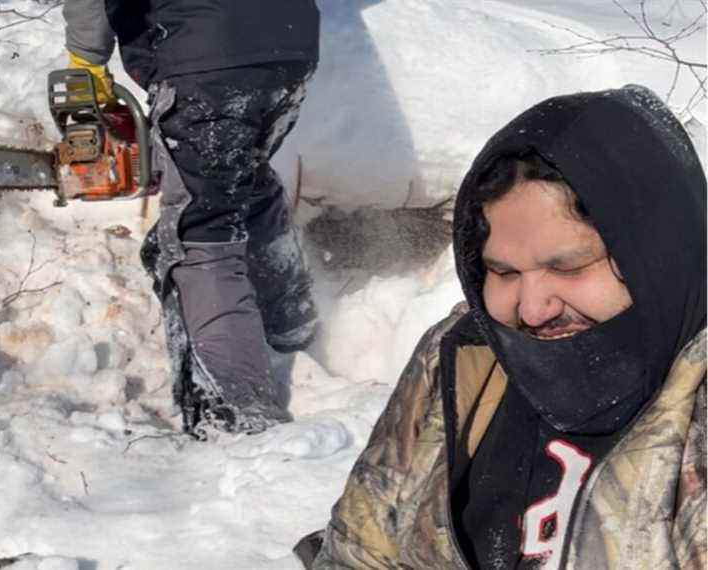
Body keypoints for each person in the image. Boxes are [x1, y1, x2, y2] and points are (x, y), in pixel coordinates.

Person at [295, 85, 706, 569]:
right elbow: (361, 547)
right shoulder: (467, 358)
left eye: (570, 267)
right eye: (504, 272)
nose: (533, 310)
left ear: (657, 255)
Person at [63, 1, 321, 435]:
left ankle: (236, 412)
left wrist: (85, 59)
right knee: (244, 179)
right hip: (290, 49)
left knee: (200, 230)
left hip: (204, 56)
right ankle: (292, 323)